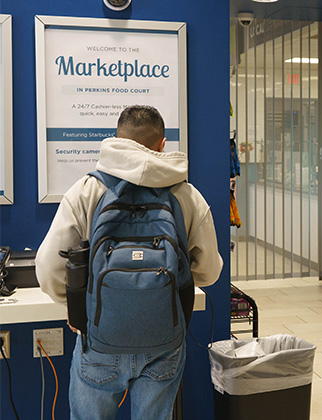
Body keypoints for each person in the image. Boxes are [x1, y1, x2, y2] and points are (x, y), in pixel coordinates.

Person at [36, 105, 223, 419]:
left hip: (99, 339)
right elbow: (209, 272)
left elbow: (48, 269)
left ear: (117, 140)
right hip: (164, 339)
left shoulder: (86, 191)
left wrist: (77, 308)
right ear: (162, 144)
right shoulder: (186, 195)